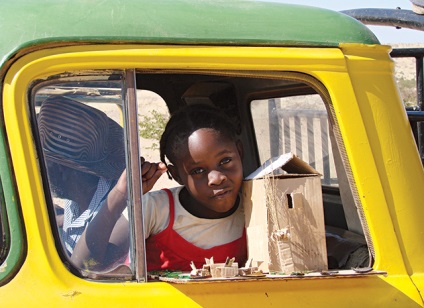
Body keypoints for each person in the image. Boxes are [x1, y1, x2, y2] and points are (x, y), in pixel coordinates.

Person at [71, 103, 247, 272]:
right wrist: (120, 195)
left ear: (239, 152)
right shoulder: (156, 209)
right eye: (198, 170)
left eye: (225, 161)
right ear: (176, 175)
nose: (216, 178)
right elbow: (85, 265)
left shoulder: (256, 208)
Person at [38, 95, 165, 262]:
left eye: (43, 164)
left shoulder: (123, 211)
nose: (40, 172)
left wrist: (120, 195)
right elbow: (78, 220)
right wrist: (57, 220)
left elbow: (84, 264)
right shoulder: (77, 197)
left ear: (64, 171)